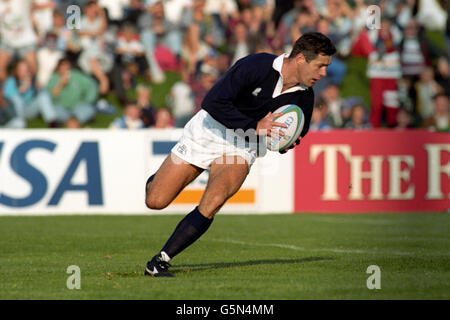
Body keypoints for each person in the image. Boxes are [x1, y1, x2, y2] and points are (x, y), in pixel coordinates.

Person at [143, 32, 336, 277]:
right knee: (156, 201)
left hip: (242, 146)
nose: (323, 74)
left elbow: (296, 132)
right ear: (300, 59)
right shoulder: (256, 65)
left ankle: (160, 261)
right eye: (320, 66)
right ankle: (156, 180)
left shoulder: (305, 97)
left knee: (213, 201)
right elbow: (213, 102)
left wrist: (285, 142)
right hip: (209, 130)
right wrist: (254, 125)